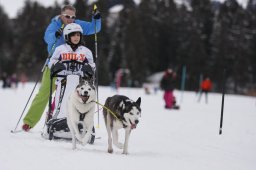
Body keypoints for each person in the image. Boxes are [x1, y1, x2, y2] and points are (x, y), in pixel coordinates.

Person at [22, 5, 101, 131]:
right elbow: (47, 38)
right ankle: (29, 121)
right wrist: (56, 35)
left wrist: (96, 19)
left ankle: (67, 119)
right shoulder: (55, 24)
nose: (70, 19)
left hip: (75, 67)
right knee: (44, 94)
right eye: (67, 16)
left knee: (70, 95)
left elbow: (94, 28)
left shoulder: (76, 25)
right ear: (61, 15)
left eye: (73, 17)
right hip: (55, 65)